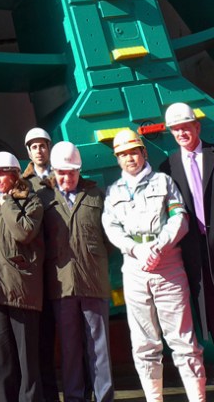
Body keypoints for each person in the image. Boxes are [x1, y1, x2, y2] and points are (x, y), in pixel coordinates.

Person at [102, 128, 206, 402]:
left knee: (183, 341)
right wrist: (136, 248)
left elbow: (179, 218)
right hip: (135, 269)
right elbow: (111, 227)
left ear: (143, 152)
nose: (129, 159)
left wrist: (159, 246)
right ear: (117, 159)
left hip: (168, 265)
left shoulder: (163, 182)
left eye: (133, 152)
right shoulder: (113, 192)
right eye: (122, 155)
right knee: (144, 343)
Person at [39, 141, 113, 402]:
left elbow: (109, 239)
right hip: (62, 284)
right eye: (61, 172)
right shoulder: (44, 199)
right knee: (70, 349)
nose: (66, 177)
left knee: (99, 347)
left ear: (79, 171)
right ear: (54, 172)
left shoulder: (96, 196)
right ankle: (74, 397)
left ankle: (104, 397)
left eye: (71, 172)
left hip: (94, 281)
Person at [0, 150, 44, 402]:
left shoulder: (32, 202)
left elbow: (23, 233)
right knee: (0, 359)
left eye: (2, 173)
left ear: (15, 175)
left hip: (22, 289)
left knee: (27, 362)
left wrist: (8, 203)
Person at [160, 103, 214, 342]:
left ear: (197, 126)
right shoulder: (167, 167)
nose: (181, 133)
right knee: (207, 307)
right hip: (193, 248)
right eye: (176, 129)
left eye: (186, 127)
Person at [22, 127, 58, 402]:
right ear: (28, 151)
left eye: (42, 145)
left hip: (64, 267)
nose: (38, 150)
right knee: (41, 339)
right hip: (37, 273)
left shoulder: (66, 175)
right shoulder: (23, 184)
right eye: (33, 146)